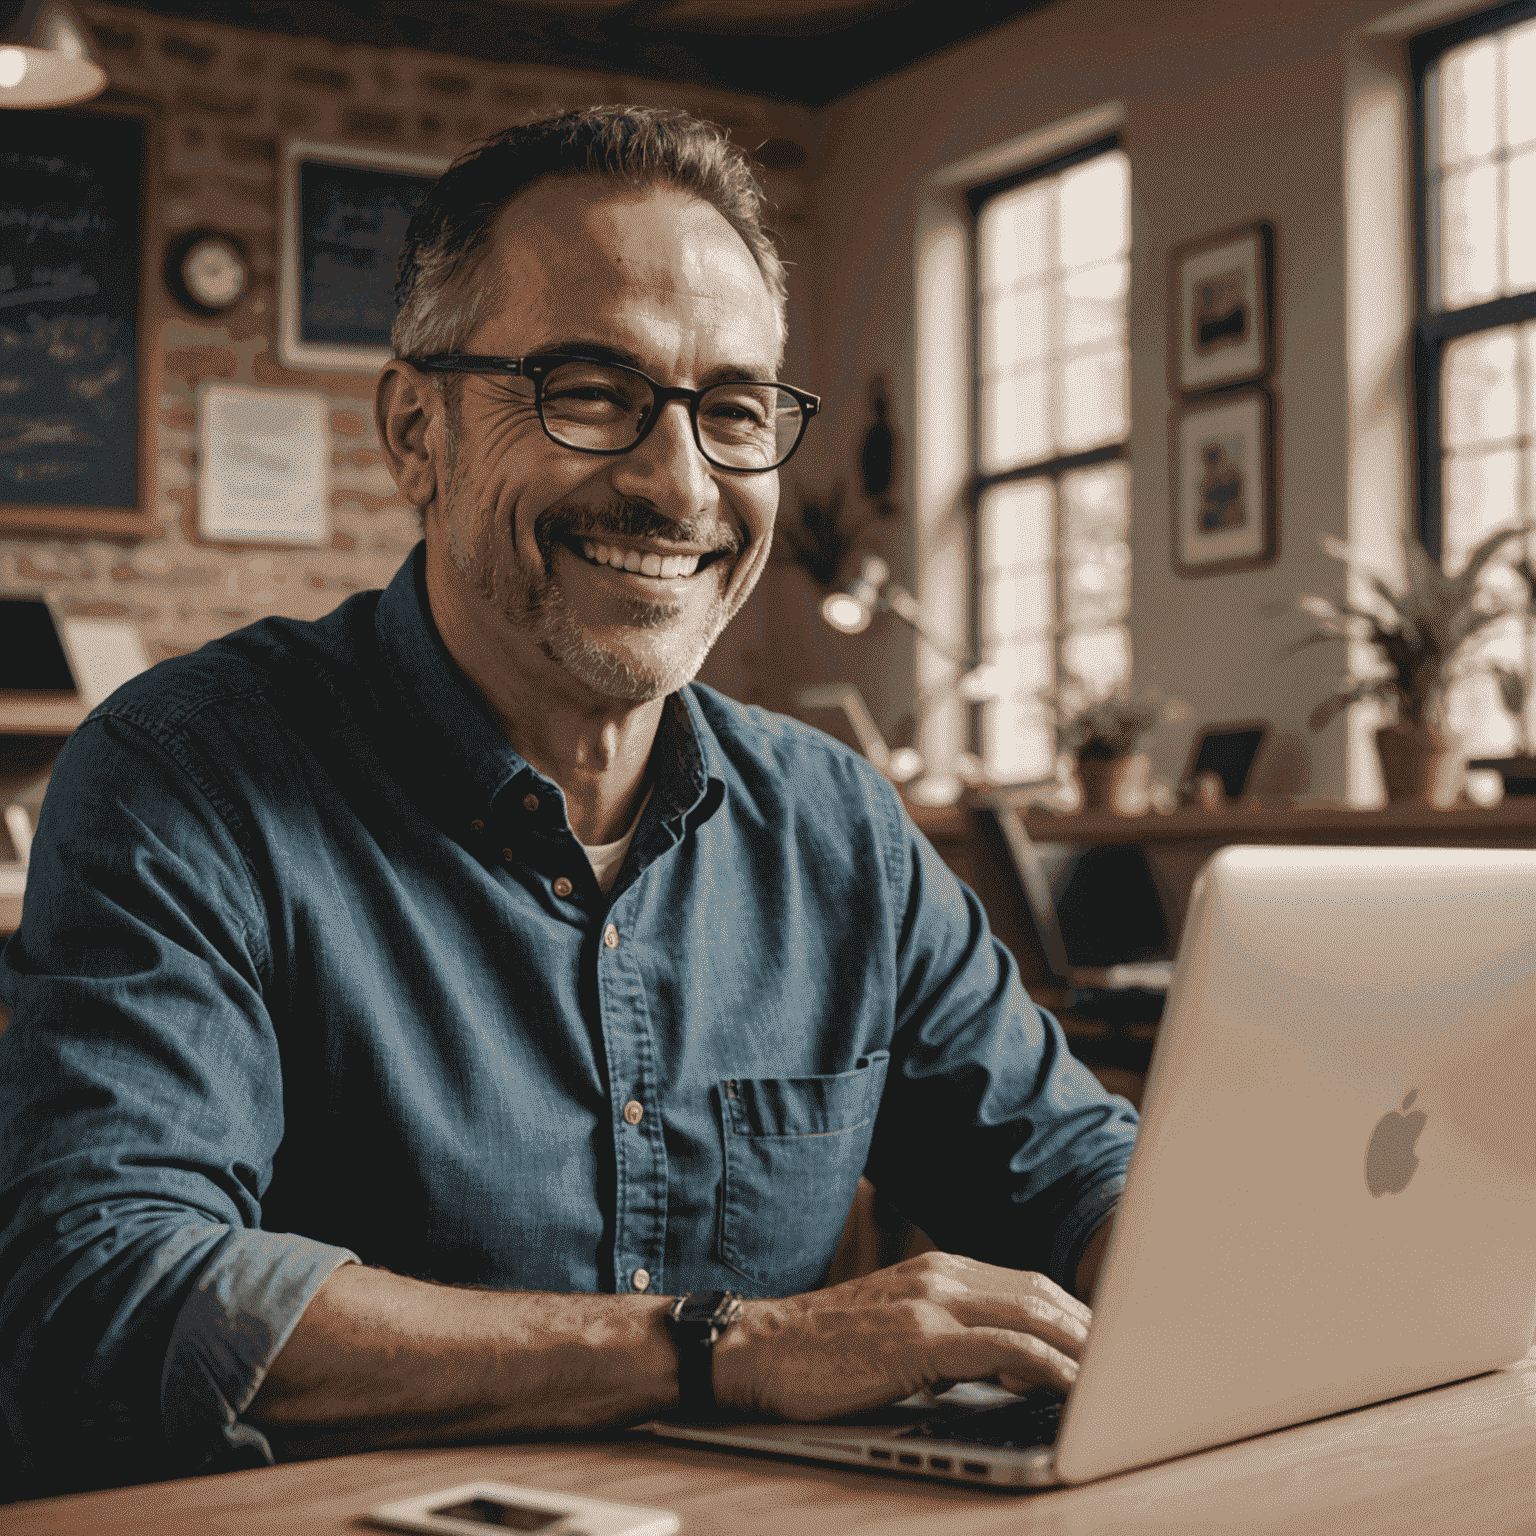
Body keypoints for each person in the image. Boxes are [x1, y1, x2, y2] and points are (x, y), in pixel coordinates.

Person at [0, 107, 1136, 1497]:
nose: (676, 484)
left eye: (731, 410)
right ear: (416, 430)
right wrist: (720, 1346)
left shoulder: (838, 826)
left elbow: (1075, 1169)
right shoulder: (186, 777)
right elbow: (116, 1292)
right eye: (591, 392)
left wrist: (1235, 1269)